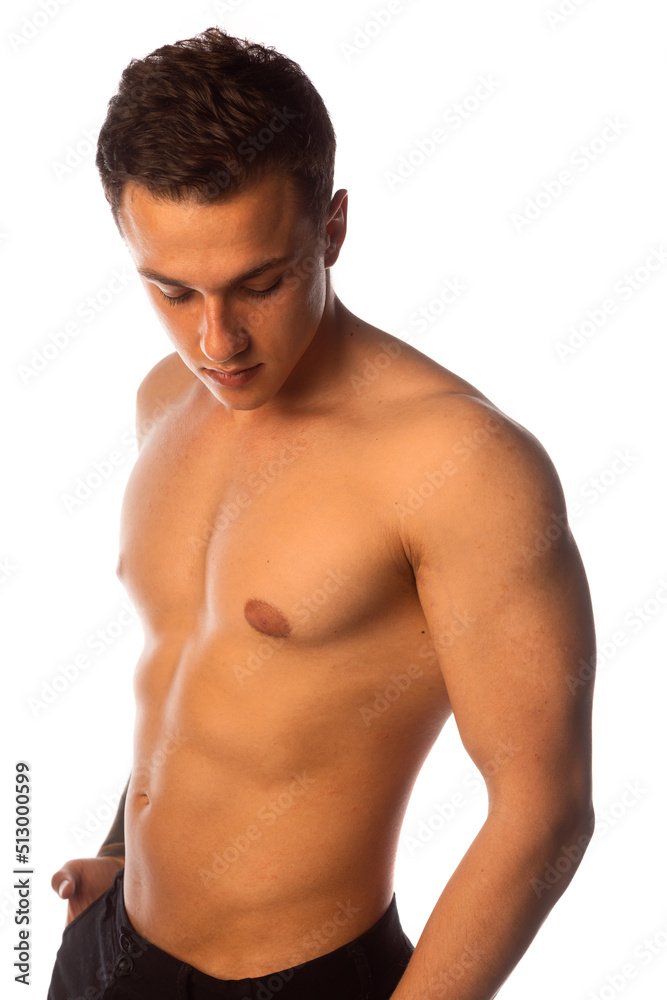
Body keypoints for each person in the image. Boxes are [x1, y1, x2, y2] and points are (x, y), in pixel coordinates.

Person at [48, 26, 596, 1000]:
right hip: (107, 951)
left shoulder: (462, 464)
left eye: (259, 283)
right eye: (172, 292)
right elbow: (196, 684)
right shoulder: (162, 402)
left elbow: (544, 812)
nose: (216, 343)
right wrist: (122, 860)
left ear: (331, 229)